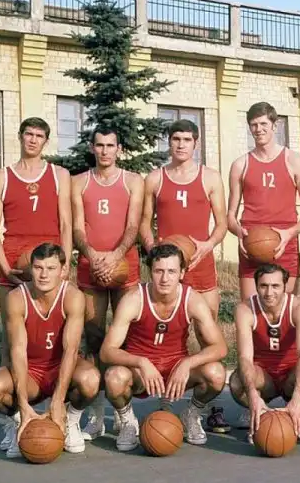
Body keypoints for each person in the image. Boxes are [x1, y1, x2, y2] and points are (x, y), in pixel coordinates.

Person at [139, 119, 229, 433]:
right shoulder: (155, 178)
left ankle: (208, 407)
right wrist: (153, 249)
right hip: (167, 268)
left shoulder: (210, 177)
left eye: (187, 139)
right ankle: (166, 400)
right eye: (175, 139)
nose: (180, 144)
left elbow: (222, 223)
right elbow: (144, 222)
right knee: (165, 332)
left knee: (208, 337)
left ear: (196, 143)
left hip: (200, 264)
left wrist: (207, 245)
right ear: (169, 142)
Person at [99, 243, 228, 451]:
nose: (165, 278)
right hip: (141, 373)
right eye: (159, 271)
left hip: (176, 367)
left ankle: (191, 414)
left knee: (216, 374)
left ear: (182, 273)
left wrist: (188, 363)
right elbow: (107, 351)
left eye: (171, 271)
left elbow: (220, 347)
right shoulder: (134, 299)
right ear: (150, 272)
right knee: (114, 378)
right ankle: (127, 420)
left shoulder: (192, 300)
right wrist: (141, 362)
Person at [0, 243, 100, 458]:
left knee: (91, 379)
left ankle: (70, 419)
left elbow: (71, 350)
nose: (44, 275)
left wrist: (58, 401)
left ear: (63, 271)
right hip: (30, 373)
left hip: (60, 367)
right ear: (31, 269)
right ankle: (20, 421)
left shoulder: (73, 296)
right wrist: (23, 404)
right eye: (38, 268)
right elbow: (18, 351)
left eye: (51, 268)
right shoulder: (16, 298)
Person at [71, 127, 144, 441]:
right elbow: (77, 228)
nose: (104, 151)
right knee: (94, 337)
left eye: (110, 145)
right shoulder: (78, 182)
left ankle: (124, 413)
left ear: (119, 149)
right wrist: (92, 255)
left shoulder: (133, 181)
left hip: (125, 266)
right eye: (99, 145)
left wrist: (115, 256)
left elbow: (133, 225)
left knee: (124, 338)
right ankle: (97, 414)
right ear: (92, 147)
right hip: (91, 267)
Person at [0, 118, 72, 366]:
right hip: (14, 260)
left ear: (46, 141)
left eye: (39, 136)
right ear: (20, 136)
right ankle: (10, 387)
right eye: (29, 134)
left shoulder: (59, 174)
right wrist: (4, 266)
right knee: (11, 334)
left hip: (49, 259)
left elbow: (66, 224)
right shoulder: (1, 177)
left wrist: (65, 263)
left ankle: (53, 383)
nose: (33, 140)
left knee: (56, 330)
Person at [229, 263, 300, 442]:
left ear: (285, 286)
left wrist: (298, 396)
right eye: (263, 286)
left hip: (291, 374)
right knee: (236, 383)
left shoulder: (299, 307)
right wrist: (252, 395)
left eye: (275, 286)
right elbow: (244, 358)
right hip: (264, 377)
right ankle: (259, 412)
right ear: (256, 286)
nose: (269, 292)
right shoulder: (245, 309)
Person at [227, 102, 300, 299]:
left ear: (275, 125)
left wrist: (289, 233)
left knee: (286, 310)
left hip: (284, 244)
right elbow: (230, 216)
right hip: (251, 243)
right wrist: (239, 233)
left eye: (263, 124)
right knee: (250, 308)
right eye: (254, 125)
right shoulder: (240, 164)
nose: (259, 129)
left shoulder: (294, 160)